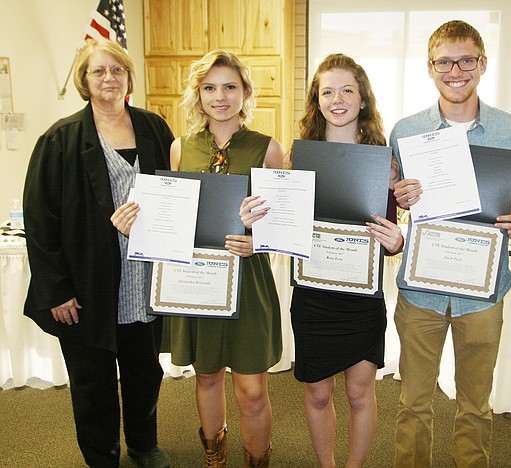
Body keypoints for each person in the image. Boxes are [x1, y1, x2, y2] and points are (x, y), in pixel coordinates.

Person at [115, 50, 285, 468]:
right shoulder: (179, 148)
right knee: (207, 377)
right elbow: (172, 217)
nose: (220, 97)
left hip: (248, 282)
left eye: (230, 87)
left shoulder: (269, 149)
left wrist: (257, 241)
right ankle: (216, 462)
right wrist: (138, 226)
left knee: (251, 390)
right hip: (196, 281)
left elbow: (284, 224)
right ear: (198, 94)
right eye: (210, 88)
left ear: (245, 93)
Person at [241, 53, 404, 468]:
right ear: (317, 100)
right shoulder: (300, 159)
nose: (337, 99)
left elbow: (391, 234)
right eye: (327, 91)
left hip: (361, 297)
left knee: (359, 393)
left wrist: (397, 240)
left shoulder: (383, 162)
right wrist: (254, 221)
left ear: (363, 99)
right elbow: (278, 229)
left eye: (347, 89)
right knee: (317, 393)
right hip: (314, 297)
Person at [389, 20, 511, 467]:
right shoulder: (405, 130)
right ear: (430, 67)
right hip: (422, 290)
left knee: (475, 406)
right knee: (414, 403)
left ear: (483, 64)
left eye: (466, 59)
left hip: (484, 292)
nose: (456, 70)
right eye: (444, 61)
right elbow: (389, 203)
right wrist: (398, 197)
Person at [23, 39, 173, 467]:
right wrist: (56, 290)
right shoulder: (60, 139)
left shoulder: (154, 128)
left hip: (145, 282)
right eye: (98, 71)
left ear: (128, 76)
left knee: (145, 372)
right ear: (84, 81)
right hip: (86, 286)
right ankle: (101, 454)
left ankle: (144, 444)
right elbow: (40, 220)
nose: (109, 78)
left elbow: (179, 192)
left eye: (117, 70)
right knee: (93, 382)